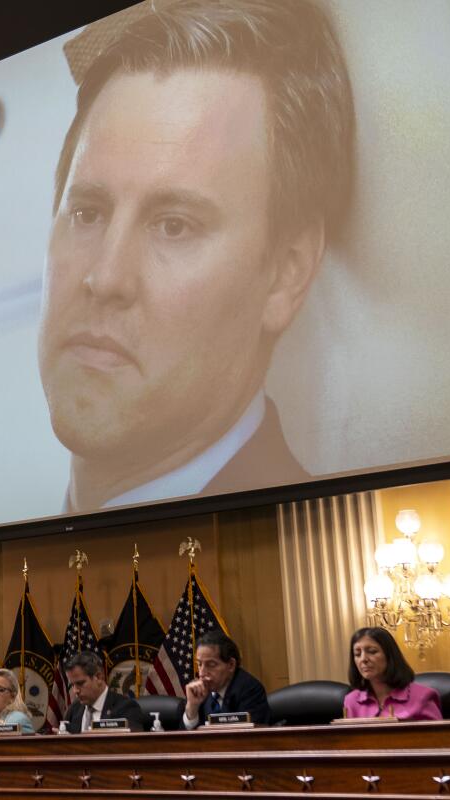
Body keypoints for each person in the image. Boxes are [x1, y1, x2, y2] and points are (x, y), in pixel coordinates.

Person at [37, 0, 355, 511]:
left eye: (173, 226)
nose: (105, 276)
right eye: (88, 213)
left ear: (286, 275)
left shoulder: (317, 551)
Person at [343, 626, 442, 720]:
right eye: (357, 654)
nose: (363, 659)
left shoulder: (423, 696)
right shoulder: (351, 700)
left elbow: (439, 736)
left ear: (390, 656)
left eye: (372, 651)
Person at [183, 630, 270, 729]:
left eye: (211, 665)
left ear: (231, 665)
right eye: (199, 664)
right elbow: (180, 740)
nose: (202, 673)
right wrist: (192, 708)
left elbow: (250, 738)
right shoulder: (197, 691)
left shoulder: (250, 690)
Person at [63, 651, 145, 733]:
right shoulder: (74, 709)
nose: (75, 691)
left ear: (99, 677)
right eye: (72, 685)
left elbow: (133, 744)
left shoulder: (126, 708)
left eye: (80, 683)